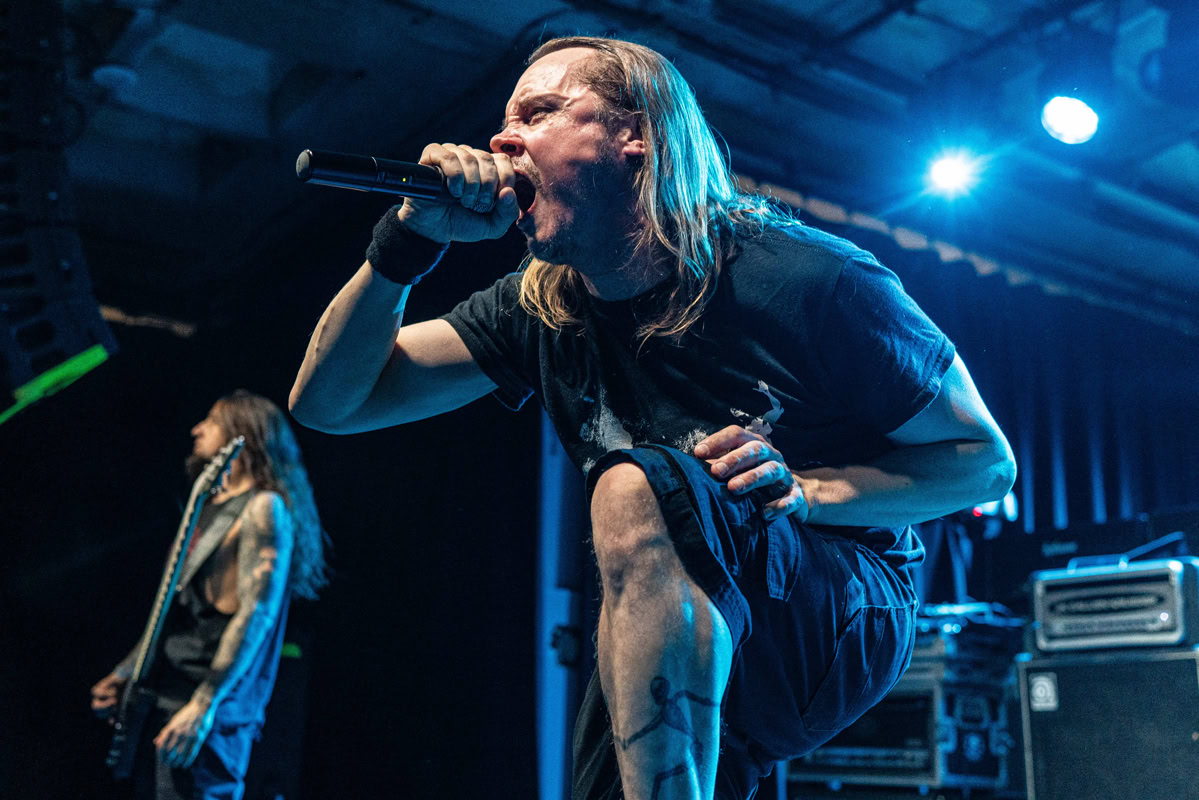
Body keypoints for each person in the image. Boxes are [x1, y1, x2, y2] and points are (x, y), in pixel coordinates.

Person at [288, 36, 1016, 800]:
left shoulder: (805, 276)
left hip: (838, 604)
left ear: (633, 133)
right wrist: (407, 240)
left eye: (538, 113)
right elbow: (331, 403)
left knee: (635, 489)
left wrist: (810, 491)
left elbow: (983, 462)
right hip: (668, 599)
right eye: (503, 124)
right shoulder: (540, 305)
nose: (502, 142)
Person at [91, 390, 328, 800]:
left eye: (212, 420)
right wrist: (126, 672)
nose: (197, 429)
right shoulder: (208, 505)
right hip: (164, 697)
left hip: (203, 711)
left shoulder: (264, 507)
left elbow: (258, 613)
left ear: (242, 432)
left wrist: (204, 706)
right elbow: (171, 610)